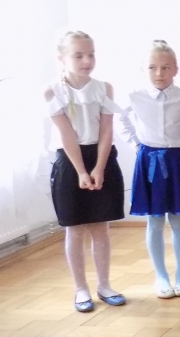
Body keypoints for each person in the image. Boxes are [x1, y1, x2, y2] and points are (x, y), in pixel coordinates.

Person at [45, 30, 126, 313]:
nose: (87, 61)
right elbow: (66, 133)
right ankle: (81, 288)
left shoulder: (104, 88)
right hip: (70, 161)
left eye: (91, 54)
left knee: (100, 227)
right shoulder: (52, 91)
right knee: (75, 229)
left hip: (100, 157)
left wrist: (99, 168)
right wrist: (81, 171)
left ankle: (104, 285)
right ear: (62, 58)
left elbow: (106, 130)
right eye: (78, 55)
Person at [118, 40, 180, 299]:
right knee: (154, 221)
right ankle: (161, 276)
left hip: (177, 161)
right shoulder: (134, 96)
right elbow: (120, 119)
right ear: (142, 69)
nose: (159, 73)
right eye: (152, 67)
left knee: (178, 218)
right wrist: (136, 145)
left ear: (175, 68)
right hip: (149, 160)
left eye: (166, 67)